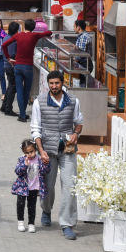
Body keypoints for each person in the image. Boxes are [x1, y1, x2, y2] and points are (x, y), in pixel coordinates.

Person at [31, 70, 83, 240]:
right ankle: (46, 210)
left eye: (57, 83)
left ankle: (67, 223)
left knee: (69, 186)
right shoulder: (39, 102)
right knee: (48, 185)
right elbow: (35, 128)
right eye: (51, 83)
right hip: (48, 149)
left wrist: (76, 134)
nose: (54, 86)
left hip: (67, 149)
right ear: (48, 84)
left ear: (62, 83)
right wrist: (41, 150)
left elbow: (79, 122)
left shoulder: (74, 101)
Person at [2, 19, 52, 122]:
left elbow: (4, 45)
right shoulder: (34, 36)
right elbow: (49, 32)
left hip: (17, 66)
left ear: (24, 26)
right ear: (34, 28)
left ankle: (22, 115)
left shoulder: (18, 35)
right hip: (28, 67)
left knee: (19, 91)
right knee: (26, 91)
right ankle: (23, 113)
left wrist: (8, 58)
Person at [12, 139, 50, 233]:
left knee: (32, 206)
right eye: (27, 152)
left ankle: (31, 224)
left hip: (34, 187)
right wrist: (25, 165)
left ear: (35, 149)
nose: (30, 154)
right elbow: (17, 171)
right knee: (20, 205)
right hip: (22, 187)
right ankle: (20, 222)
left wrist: (46, 163)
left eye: (31, 151)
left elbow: (46, 171)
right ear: (23, 152)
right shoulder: (22, 159)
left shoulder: (40, 159)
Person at [0, 21, 20, 116]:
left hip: (6, 65)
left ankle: (4, 106)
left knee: (10, 86)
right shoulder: (12, 40)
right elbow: (12, 54)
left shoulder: (6, 37)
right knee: (13, 87)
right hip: (11, 65)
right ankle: (8, 108)